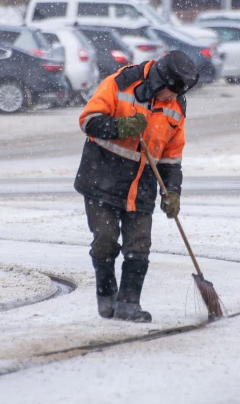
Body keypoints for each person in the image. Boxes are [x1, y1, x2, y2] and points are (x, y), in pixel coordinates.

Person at [74, 50, 200, 322]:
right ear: (159, 80)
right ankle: (107, 295)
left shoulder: (177, 106)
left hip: (142, 185)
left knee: (139, 245)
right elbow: (88, 121)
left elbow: (171, 156)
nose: (173, 98)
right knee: (105, 242)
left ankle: (129, 304)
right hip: (102, 178)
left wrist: (173, 191)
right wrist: (121, 127)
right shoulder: (121, 83)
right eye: (170, 92)